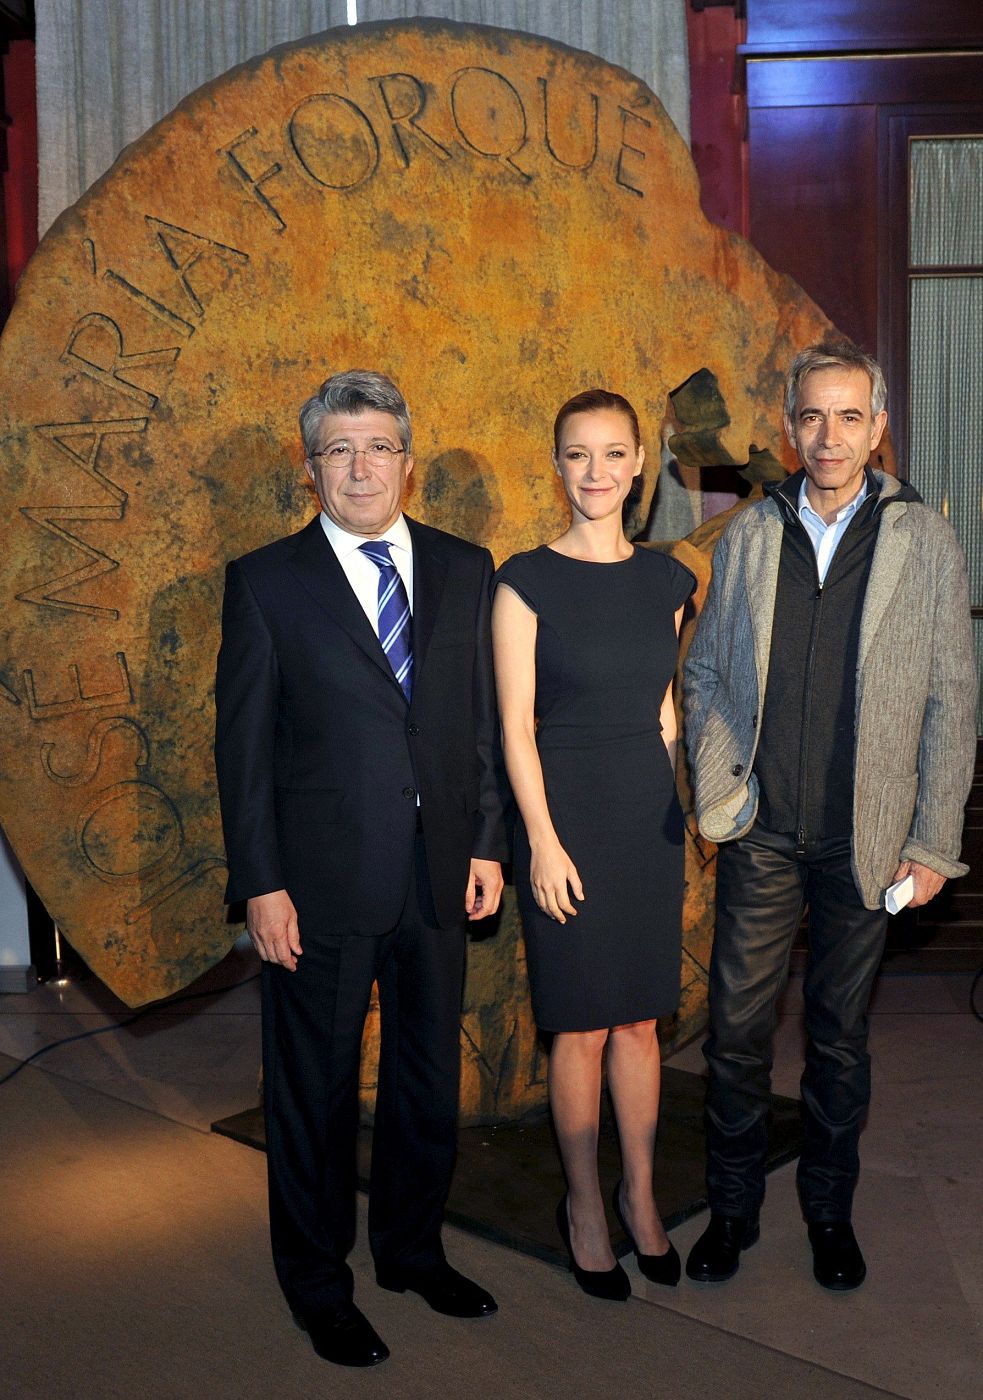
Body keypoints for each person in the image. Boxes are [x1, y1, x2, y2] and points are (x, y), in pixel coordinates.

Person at [214, 370, 508, 1367]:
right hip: (316, 888)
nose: (360, 466)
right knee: (314, 1095)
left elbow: (480, 727)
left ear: (407, 460)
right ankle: (317, 1284)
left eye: (377, 445)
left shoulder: (466, 569)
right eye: (338, 449)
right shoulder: (265, 582)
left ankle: (412, 1251)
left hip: (436, 875)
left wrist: (484, 843)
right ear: (311, 469)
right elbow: (240, 748)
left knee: (427, 1084)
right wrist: (260, 881)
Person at [683, 338, 976, 1291]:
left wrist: (932, 842)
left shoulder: (922, 540)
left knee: (838, 1038)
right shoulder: (753, 534)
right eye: (811, 416)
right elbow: (708, 672)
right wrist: (719, 786)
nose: (828, 435)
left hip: (868, 842)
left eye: (849, 416)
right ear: (788, 425)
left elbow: (950, 698)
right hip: (763, 832)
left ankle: (826, 1213)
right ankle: (730, 1212)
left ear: (877, 427)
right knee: (734, 1032)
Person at [492, 389, 695, 1300]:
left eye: (614, 454)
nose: (597, 472)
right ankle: (582, 1205)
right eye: (578, 454)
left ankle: (640, 1195)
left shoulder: (668, 582)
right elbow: (514, 728)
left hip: (644, 822)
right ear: (557, 463)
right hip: (564, 819)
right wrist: (539, 840)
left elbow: (664, 711)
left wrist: (679, 814)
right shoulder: (523, 580)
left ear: (640, 463)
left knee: (640, 1025)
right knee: (576, 1026)